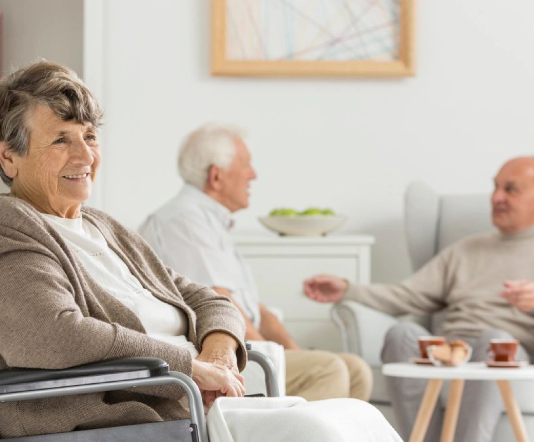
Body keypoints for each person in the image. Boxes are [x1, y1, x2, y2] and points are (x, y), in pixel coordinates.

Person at [0, 60, 436, 442]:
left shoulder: (102, 226)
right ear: (8, 157)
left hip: (187, 409)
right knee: (312, 440)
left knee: (360, 420)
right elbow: (55, 336)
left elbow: (207, 298)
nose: (84, 155)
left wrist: (219, 357)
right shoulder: (4, 229)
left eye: (90, 136)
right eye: (61, 139)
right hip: (120, 433)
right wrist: (187, 366)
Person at [304, 156, 534, 442]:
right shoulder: (468, 249)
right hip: (450, 347)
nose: (497, 197)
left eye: (511, 189)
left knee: (493, 342)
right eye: (496, 186)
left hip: (502, 349)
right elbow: (408, 294)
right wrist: (349, 289)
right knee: (402, 334)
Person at [139, 124, 372, 402]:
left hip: (244, 346)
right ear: (216, 176)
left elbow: (256, 311)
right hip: (216, 359)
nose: (254, 174)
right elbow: (221, 304)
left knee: (357, 370)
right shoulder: (184, 222)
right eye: (246, 164)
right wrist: (270, 358)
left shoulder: (209, 222)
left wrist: (293, 353)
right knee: (328, 369)